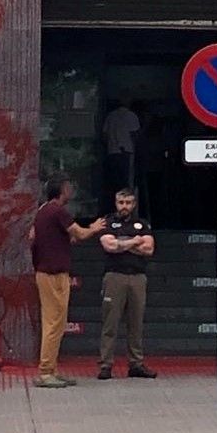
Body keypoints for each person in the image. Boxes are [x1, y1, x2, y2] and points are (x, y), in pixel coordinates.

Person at [30, 176, 106, 388]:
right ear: (62, 190)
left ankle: (51, 368)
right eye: (68, 187)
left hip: (45, 272)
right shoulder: (57, 211)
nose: (71, 191)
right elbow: (79, 234)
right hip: (54, 274)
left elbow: (33, 236)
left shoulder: (42, 211)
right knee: (55, 323)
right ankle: (46, 371)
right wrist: (95, 227)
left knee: (54, 321)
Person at [97, 187, 157, 380]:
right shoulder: (108, 222)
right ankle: (106, 365)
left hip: (138, 276)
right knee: (110, 323)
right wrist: (134, 242)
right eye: (121, 202)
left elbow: (148, 249)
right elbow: (109, 245)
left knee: (136, 323)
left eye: (128, 202)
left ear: (134, 204)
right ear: (116, 203)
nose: (125, 206)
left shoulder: (142, 224)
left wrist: (123, 243)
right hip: (114, 276)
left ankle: (136, 364)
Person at [101, 97, 140, 207]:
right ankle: (126, 207)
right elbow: (135, 135)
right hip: (126, 153)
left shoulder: (110, 116)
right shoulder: (131, 116)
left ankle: (113, 207)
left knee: (113, 183)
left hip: (112, 152)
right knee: (126, 184)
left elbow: (104, 136)